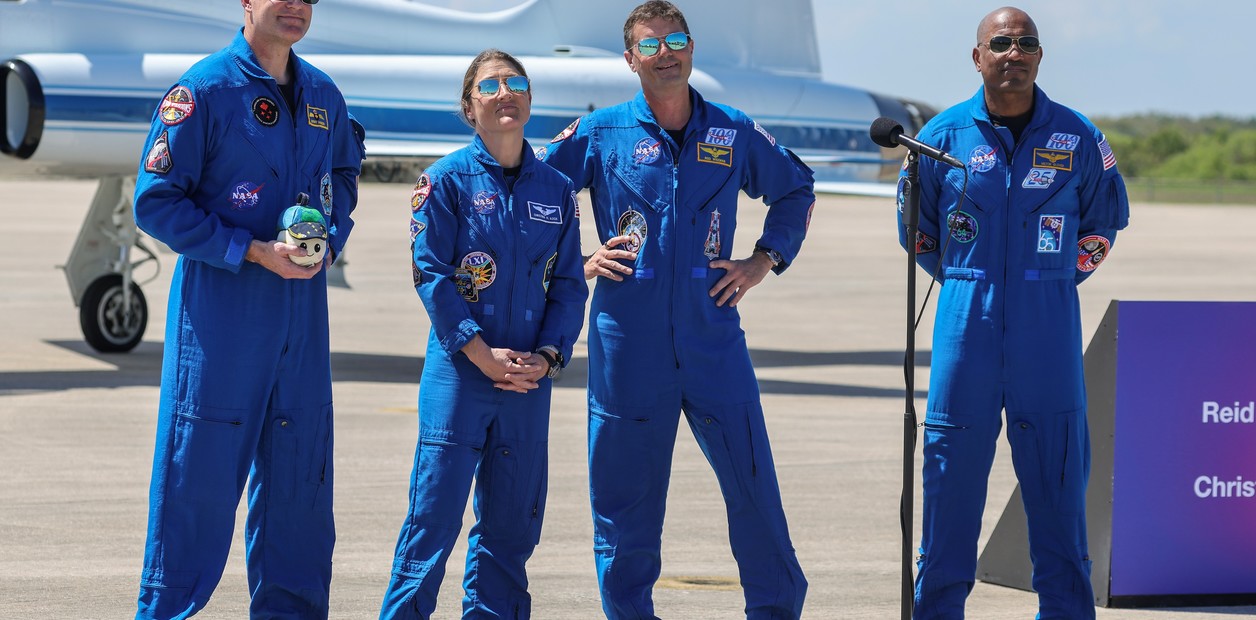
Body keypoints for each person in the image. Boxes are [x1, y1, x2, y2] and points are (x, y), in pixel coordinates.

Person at [542, 2, 813, 617]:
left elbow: (796, 187)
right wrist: (576, 264)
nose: (666, 52)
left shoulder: (733, 130)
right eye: (651, 43)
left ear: (692, 49)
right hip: (627, 341)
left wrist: (763, 259)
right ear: (630, 58)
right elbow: (532, 188)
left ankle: (775, 610)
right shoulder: (600, 131)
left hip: (713, 335)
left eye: (677, 39)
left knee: (753, 488)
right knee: (623, 500)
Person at [131, 0, 364, 617]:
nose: (295, 8)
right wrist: (250, 250)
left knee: (300, 484)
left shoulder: (322, 92)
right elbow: (155, 202)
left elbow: (344, 170)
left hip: (303, 319)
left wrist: (328, 237)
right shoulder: (204, 90)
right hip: (223, 316)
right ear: (247, 4)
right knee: (197, 483)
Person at [898, 7, 1129, 619]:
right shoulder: (940, 140)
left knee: (1057, 485)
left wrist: (1050, 281)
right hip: (963, 324)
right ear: (978, 57)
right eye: (1000, 43)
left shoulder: (1078, 138)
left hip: (1047, 327)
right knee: (949, 486)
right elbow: (917, 234)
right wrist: (970, 284)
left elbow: (1105, 220)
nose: (1014, 52)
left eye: (1027, 42)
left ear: (1039, 55)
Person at [379, 49, 587, 619]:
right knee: (432, 525)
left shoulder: (557, 189)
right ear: (470, 106)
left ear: (529, 99)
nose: (505, 93)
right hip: (460, 375)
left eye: (515, 83)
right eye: (490, 85)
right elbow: (431, 276)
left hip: (526, 381)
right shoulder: (443, 181)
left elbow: (569, 285)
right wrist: (479, 353)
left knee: (512, 530)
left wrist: (547, 357)